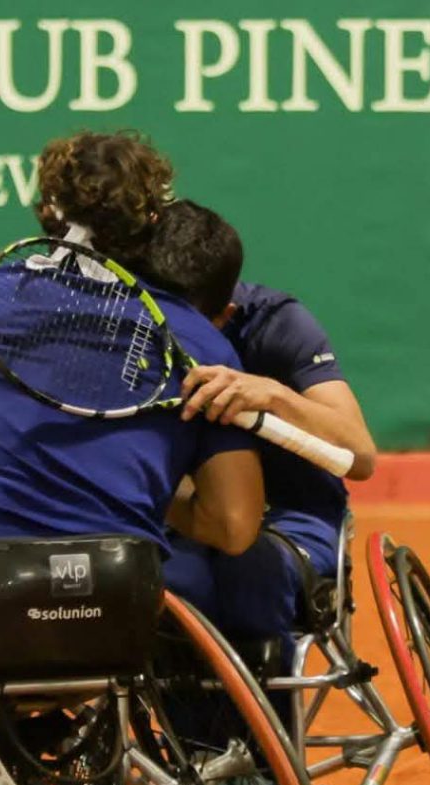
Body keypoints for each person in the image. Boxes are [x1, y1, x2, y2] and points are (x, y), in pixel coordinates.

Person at [0, 134, 265, 785]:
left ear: (45, 207)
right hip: (118, 597)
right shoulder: (198, 342)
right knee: (85, 679)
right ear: (148, 224)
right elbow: (235, 527)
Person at [139, 199, 377, 685]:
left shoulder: (277, 323)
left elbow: (361, 456)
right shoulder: (131, 327)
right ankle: (195, 749)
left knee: (248, 571)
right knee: (156, 581)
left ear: (226, 314)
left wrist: (273, 395)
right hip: (185, 521)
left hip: (291, 521)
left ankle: (263, 756)